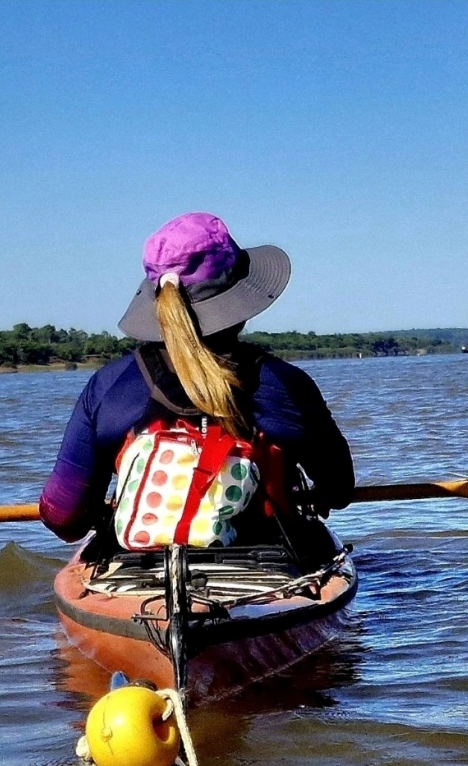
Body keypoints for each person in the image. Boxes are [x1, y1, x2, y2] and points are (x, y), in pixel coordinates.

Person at [39, 212, 354, 565]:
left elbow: (63, 518)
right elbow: (339, 488)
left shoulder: (109, 386)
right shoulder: (286, 385)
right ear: (239, 299)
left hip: (136, 577)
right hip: (265, 571)